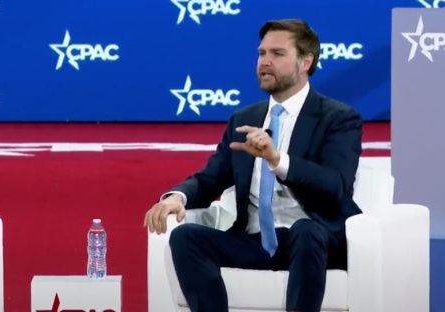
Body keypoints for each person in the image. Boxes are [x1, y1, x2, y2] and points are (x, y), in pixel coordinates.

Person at [144, 19, 363, 312]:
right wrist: (177, 196)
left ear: (305, 61)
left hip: (315, 242)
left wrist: (277, 159)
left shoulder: (338, 118)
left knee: (306, 230)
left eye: (277, 54)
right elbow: (211, 176)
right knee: (186, 237)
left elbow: (336, 185)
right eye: (261, 54)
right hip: (255, 240)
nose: (265, 62)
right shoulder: (244, 119)